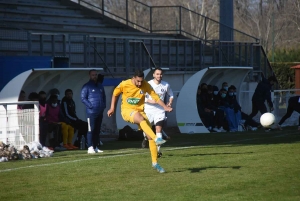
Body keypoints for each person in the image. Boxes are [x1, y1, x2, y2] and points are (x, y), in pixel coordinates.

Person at [107, 69, 172, 173]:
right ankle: (157, 139)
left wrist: (165, 107)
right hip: (127, 111)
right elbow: (115, 94)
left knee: (149, 136)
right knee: (142, 120)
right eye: (138, 81)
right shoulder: (125, 84)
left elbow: (156, 97)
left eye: (141, 81)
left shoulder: (145, 85)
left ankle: (155, 163)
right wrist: (112, 108)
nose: (140, 83)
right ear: (133, 78)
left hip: (140, 111)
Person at [142, 67, 173, 157]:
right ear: (153, 75)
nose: (159, 76)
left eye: (160, 74)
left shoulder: (165, 85)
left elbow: (171, 94)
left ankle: (157, 152)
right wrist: (149, 101)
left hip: (160, 110)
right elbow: (141, 96)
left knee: (158, 129)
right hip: (148, 110)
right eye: (157, 74)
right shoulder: (148, 84)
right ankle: (145, 137)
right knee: (147, 130)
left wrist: (170, 103)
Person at [81, 69, 106, 154]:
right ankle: (90, 147)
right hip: (91, 112)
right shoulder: (86, 86)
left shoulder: (100, 86)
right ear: (90, 76)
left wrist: (103, 106)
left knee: (97, 130)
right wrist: (91, 106)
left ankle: (95, 146)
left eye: (95, 75)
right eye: (93, 75)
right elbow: (83, 98)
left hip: (100, 111)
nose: (94, 76)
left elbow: (104, 97)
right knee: (90, 129)